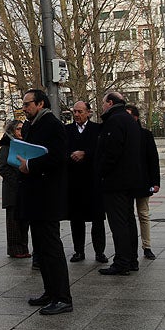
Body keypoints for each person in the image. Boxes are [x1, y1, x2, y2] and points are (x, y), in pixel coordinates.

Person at [16, 89, 72, 315]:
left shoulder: (52, 124)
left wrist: (30, 166)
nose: (24, 108)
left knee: (51, 247)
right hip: (33, 195)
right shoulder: (30, 125)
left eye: (28, 104)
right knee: (41, 246)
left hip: (47, 195)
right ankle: (50, 292)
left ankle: (62, 297)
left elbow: (58, 157)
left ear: (40, 104)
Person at [95, 91, 142, 276]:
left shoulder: (114, 121)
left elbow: (111, 152)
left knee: (119, 223)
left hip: (116, 180)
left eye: (104, 102)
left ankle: (122, 261)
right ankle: (131, 259)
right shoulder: (129, 120)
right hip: (129, 180)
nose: (102, 106)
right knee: (128, 220)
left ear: (111, 103)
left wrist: (102, 172)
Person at [65, 100, 105, 263]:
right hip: (74, 181)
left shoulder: (97, 129)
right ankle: (78, 251)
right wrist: (71, 155)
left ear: (88, 112)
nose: (76, 115)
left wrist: (85, 153)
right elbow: (62, 149)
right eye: (74, 112)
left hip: (93, 181)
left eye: (80, 112)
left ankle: (99, 252)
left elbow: (101, 150)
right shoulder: (66, 130)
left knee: (97, 219)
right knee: (76, 219)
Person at [126, 104, 160, 260]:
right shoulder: (122, 135)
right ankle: (128, 247)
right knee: (126, 216)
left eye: (129, 115)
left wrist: (155, 182)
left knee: (143, 214)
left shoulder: (145, 135)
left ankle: (147, 246)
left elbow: (153, 159)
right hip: (125, 182)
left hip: (142, 181)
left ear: (136, 117)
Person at [0, 119, 31, 259]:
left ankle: (23, 247)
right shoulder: (6, 147)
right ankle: (15, 249)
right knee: (13, 223)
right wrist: (17, 181)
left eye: (22, 129)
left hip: (24, 189)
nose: (21, 131)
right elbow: (3, 169)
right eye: (18, 129)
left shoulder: (24, 145)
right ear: (12, 131)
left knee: (24, 222)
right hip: (12, 190)